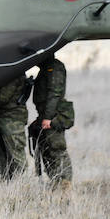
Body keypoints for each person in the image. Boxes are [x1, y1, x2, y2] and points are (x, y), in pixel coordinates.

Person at [30, 56, 74, 187]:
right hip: (45, 114)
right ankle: (56, 181)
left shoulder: (54, 68)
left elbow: (54, 94)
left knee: (57, 149)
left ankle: (65, 183)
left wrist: (48, 117)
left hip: (53, 116)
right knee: (47, 150)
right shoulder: (45, 69)